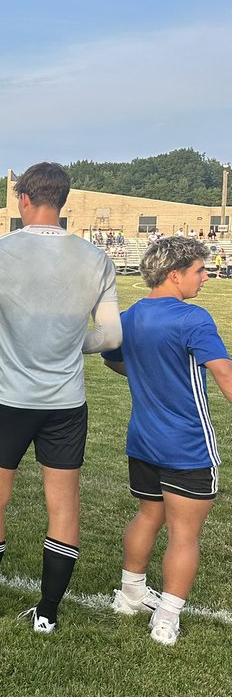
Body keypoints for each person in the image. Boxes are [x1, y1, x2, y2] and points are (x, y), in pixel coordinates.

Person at [0, 162, 121, 633]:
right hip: (65, 402)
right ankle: (47, 612)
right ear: (62, 201)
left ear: (23, 199)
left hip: (6, 397)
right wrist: (74, 343)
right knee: (64, 505)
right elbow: (111, 336)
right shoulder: (97, 258)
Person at [102, 238, 232, 646]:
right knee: (184, 534)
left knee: (148, 515)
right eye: (199, 270)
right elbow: (225, 376)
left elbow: (113, 359)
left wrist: (148, 374)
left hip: (143, 441)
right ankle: (167, 617)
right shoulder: (193, 318)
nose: (206, 276)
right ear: (174, 275)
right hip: (187, 445)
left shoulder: (128, 317)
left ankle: (131, 595)